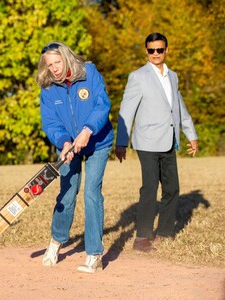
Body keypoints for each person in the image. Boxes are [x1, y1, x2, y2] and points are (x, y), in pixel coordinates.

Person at [115, 32, 199, 253]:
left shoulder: (173, 76)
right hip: (146, 141)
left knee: (172, 188)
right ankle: (142, 237)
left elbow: (178, 107)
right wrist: (121, 142)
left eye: (159, 50)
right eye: (151, 50)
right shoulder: (138, 76)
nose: (155, 54)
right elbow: (127, 110)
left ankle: (165, 232)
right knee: (150, 188)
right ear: (146, 51)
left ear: (166, 50)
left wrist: (191, 134)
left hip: (169, 140)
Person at [36, 42, 113, 273]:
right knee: (67, 194)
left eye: (57, 62)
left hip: (97, 141)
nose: (55, 69)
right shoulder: (48, 88)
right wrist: (65, 142)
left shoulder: (89, 73)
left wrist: (87, 130)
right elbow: (50, 122)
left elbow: (102, 104)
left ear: (66, 58)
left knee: (91, 193)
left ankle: (94, 254)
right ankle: (55, 243)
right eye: (50, 65)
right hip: (70, 148)